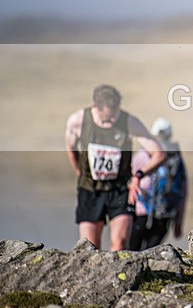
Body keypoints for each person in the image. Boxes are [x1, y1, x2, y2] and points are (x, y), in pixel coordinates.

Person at [65, 84, 165, 251]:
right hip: (90, 189)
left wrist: (138, 175)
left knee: (119, 245)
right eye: (107, 118)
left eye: (115, 116)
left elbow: (159, 154)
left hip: (120, 189)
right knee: (88, 249)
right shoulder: (78, 121)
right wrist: (80, 172)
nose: (112, 121)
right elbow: (71, 150)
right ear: (95, 107)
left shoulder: (129, 122)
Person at [129, 118, 188, 250]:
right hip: (165, 213)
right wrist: (179, 221)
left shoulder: (143, 154)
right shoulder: (176, 158)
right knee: (150, 253)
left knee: (132, 251)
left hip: (141, 211)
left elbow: (129, 179)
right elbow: (183, 191)